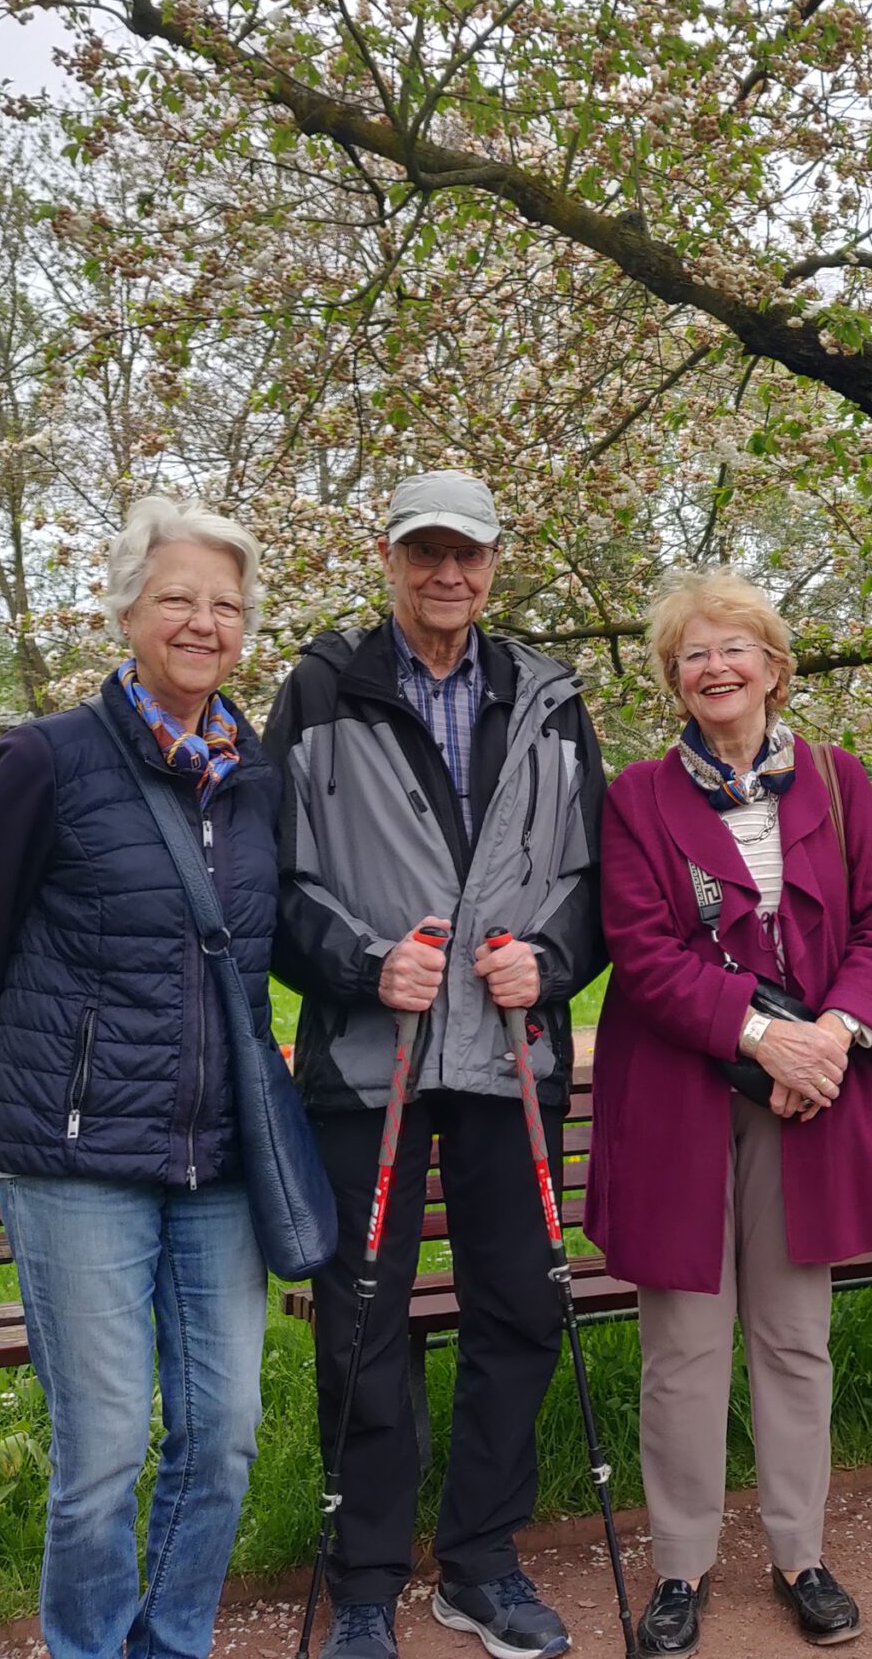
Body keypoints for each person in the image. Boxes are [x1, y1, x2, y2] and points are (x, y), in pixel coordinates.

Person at [262, 471, 608, 1659]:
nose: (446, 576)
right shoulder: (316, 690)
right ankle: (363, 1577)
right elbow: (272, 882)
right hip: (374, 1065)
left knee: (519, 1310)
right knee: (362, 1322)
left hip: (511, 1060)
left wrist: (552, 962)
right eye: (425, 554)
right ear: (389, 557)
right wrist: (361, 963)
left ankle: (480, 1562)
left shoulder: (552, 699)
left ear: (495, 564)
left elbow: (594, 881)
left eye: (467, 555)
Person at [0, 497, 279, 1659]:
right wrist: (20, 1103)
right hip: (74, 1160)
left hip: (218, 1155)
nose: (201, 621)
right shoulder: (48, 758)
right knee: (103, 1452)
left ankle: (171, 1640)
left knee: (224, 1431)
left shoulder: (255, 773)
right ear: (128, 610)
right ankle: (86, 1647)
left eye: (224, 604)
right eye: (177, 596)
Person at [586, 569, 872, 1654]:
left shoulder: (837, 780)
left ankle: (798, 1551)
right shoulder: (638, 795)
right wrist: (759, 1034)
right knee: (683, 1343)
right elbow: (641, 950)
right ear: (674, 681)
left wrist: (827, 1039)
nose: (715, 668)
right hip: (683, 1095)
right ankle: (679, 1568)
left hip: (810, 1097)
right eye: (693, 655)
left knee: (793, 1338)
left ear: (774, 667)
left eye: (735, 649)